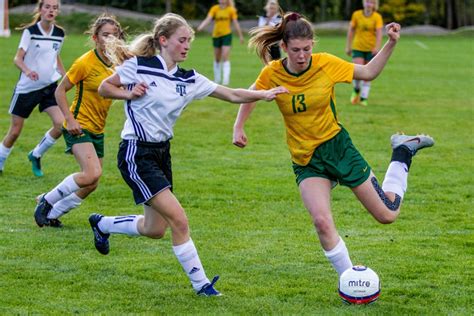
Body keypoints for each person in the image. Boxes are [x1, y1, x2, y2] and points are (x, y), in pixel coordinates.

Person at [89, 13, 287, 296]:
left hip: (161, 153)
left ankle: (103, 224)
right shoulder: (139, 66)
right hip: (136, 153)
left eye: (189, 41)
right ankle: (202, 285)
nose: (186, 46)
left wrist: (264, 94)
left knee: (154, 228)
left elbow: (231, 94)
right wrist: (128, 94)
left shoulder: (189, 78)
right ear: (163, 40)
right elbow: (105, 87)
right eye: (182, 40)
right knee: (179, 220)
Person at [233, 12, 434, 280]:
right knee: (322, 223)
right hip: (306, 159)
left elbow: (368, 72)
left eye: (306, 49)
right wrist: (239, 126)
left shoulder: (326, 63)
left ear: (312, 46)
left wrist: (391, 42)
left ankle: (402, 151)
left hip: (338, 149)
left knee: (387, 214)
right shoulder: (272, 73)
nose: (302, 55)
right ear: (284, 47)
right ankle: (350, 281)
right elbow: (251, 95)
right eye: (295, 50)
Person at [33, 14, 126, 228]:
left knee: (91, 183)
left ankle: (50, 211)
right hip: (78, 124)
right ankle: (47, 202)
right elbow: (60, 91)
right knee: (92, 173)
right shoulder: (85, 62)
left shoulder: (120, 62)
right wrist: (69, 119)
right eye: (105, 35)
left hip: (98, 128)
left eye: (114, 35)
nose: (110, 39)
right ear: (95, 38)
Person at [0, 0, 65, 177]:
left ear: (57, 11)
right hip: (27, 88)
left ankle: (36, 154)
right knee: (14, 132)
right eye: (47, 7)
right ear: (40, 9)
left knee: (60, 125)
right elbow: (17, 58)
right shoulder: (31, 32)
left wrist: (65, 76)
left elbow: (55, 56)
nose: (51, 10)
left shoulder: (60, 33)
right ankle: (0, 160)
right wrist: (28, 71)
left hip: (49, 87)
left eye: (54, 8)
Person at [196, 0, 245, 85]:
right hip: (216, 36)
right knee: (217, 58)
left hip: (226, 35)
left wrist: (240, 35)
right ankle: (217, 79)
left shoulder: (230, 10)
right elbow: (208, 19)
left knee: (225, 56)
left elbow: (235, 23)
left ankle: (226, 80)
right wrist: (200, 27)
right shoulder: (214, 9)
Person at [345, 0, 383, 106]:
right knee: (357, 72)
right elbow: (351, 30)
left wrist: (377, 47)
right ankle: (356, 89)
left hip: (371, 49)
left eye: (371, 2)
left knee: (368, 74)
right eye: (367, 1)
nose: (368, 4)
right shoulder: (356, 15)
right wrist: (348, 46)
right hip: (358, 47)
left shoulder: (377, 17)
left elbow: (379, 33)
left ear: (374, 4)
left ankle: (363, 98)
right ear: (363, 3)